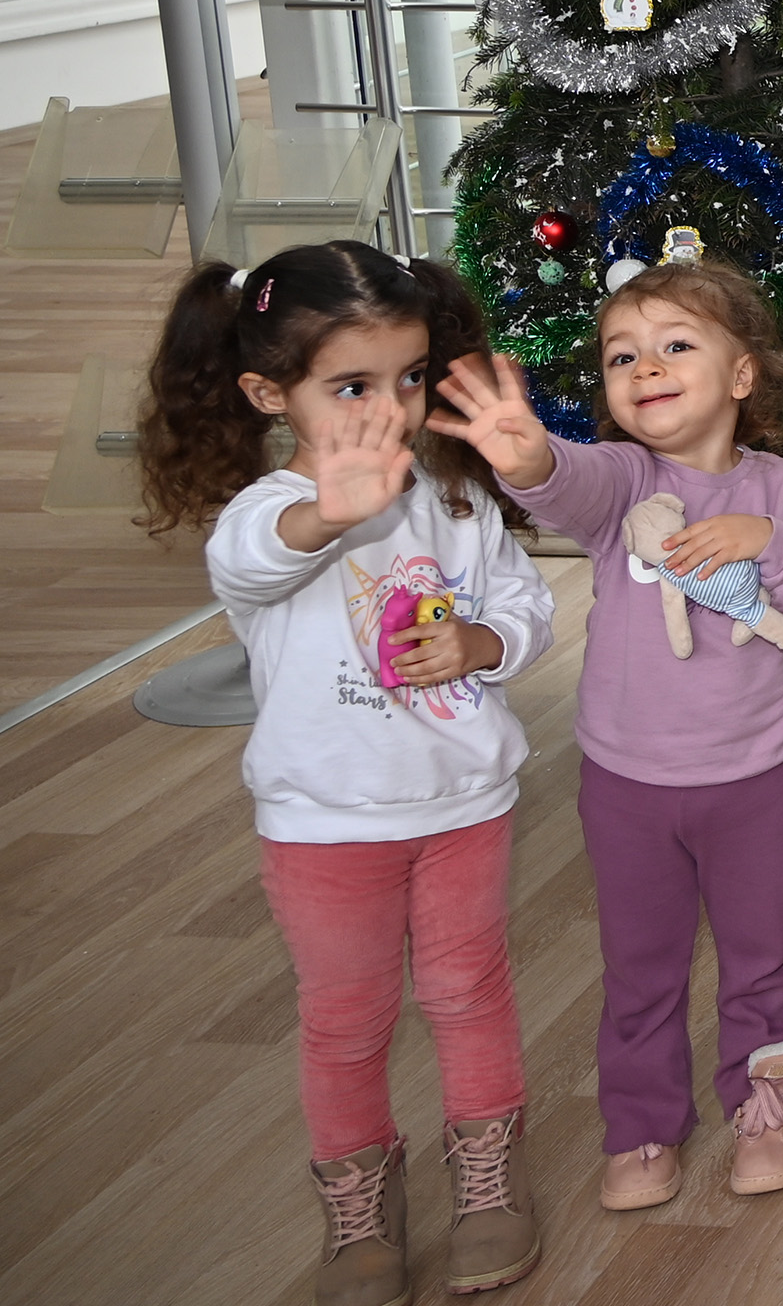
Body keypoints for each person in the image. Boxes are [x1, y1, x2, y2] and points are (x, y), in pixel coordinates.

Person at [137, 242, 554, 1305]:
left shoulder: (455, 498)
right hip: (322, 824)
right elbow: (255, 562)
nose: (390, 410)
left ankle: (486, 1185)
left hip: (465, 803)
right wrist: (335, 506)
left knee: (468, 994)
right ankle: (361, 1211)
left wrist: (485, 645)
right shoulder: (266, 513)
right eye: (352, 388)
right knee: (343, 1015)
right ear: (270, 394)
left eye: (410, 379)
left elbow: (523, 602)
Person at [425, 265, 783, 1211]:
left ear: (743, 376)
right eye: (623, 355)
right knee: (640, 965)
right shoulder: (624, 480)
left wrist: (767, 542)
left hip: (756, 780)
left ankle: (767, 1096)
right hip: (626, 785)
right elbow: (565, 483)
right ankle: (642, 1125)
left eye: (675, 345)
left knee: (764, 950)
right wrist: (527, 457)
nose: (645, 367)